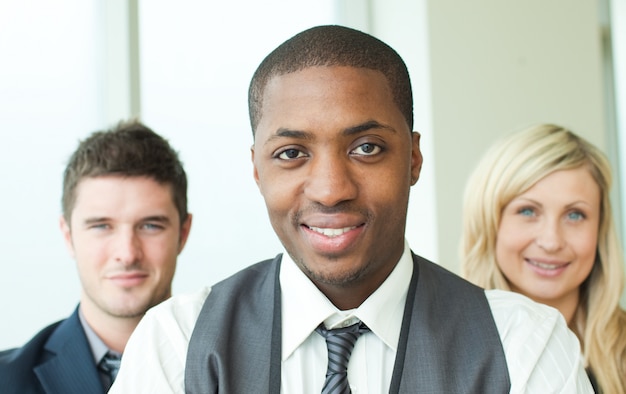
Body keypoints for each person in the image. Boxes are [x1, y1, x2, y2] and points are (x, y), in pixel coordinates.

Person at [111, 25, 592, 393]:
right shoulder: (177, 341)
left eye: (366, 148)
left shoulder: (523, 342)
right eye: (292, 153)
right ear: (257, 170)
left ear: (414, 158)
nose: (330, 190)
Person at [0, 120, 193, 393]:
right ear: (68, 236)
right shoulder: (6, 381)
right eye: (101, 226)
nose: (127, 254)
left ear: (183, 233)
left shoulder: (245, 367)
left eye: (150, 225)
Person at [460, 123, 626, 393]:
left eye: (575, 215)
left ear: (600, 229)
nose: (551, 242)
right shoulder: (439, 347)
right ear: (489, 222)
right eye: (528, 211)